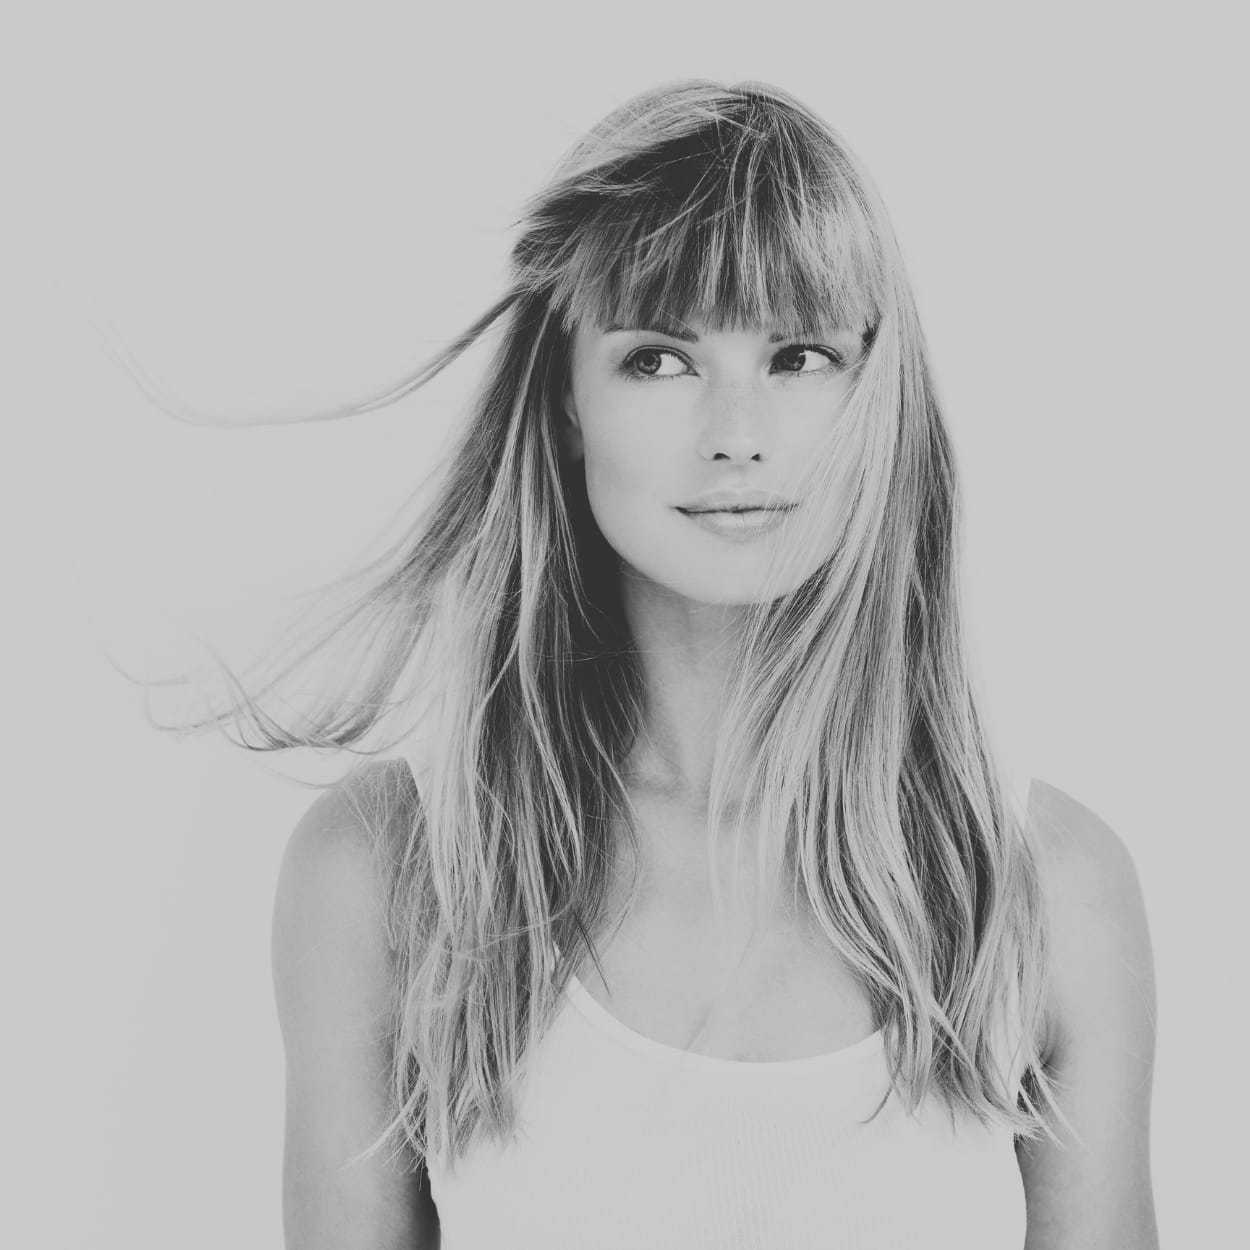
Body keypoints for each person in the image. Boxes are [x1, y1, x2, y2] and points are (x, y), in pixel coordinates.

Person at [251, 81, 1157, 1247]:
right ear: (565, 399)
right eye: (660, 360)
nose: (738, 431)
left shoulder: (1046, 889)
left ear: (877, 396)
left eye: (798, 353)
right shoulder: (388, 871)